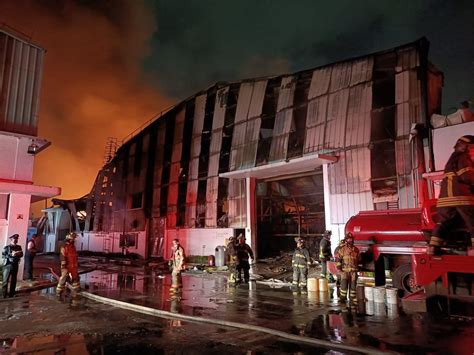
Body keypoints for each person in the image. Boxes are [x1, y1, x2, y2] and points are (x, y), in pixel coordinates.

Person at [429, 135, 474, 255]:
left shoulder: (451, 159)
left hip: (445, 201)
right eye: (472, 148)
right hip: (461, 197)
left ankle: (433, 246)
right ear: (466, 146)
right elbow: (467, 176)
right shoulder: (464, 157)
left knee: (443, 223)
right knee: (472, 221)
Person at [336, 233, 360, 304]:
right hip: (345, 271)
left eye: (351, 239)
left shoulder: (356, 250)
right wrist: (339, 268)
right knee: (344, 286)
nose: (351, 240)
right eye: (349, 239)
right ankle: (342, 298)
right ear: (346, 240)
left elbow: (358, 259)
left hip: (353, 271)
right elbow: (338, 259)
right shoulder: (342, 250)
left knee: (353, 287)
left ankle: (352, 298)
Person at [2, 234, 23, 298]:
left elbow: (22, 254)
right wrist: (11, 254)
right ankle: (3, 295)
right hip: (8, 265)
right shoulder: (7, 247)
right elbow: (3, 256)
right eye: (14, 239)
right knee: (5, 281)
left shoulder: (19, 247)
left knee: (13, 280)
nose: (16, 240)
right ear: (11, 240)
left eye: (16, 239)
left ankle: (12, 294)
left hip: (15, 265)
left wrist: (18, 254)